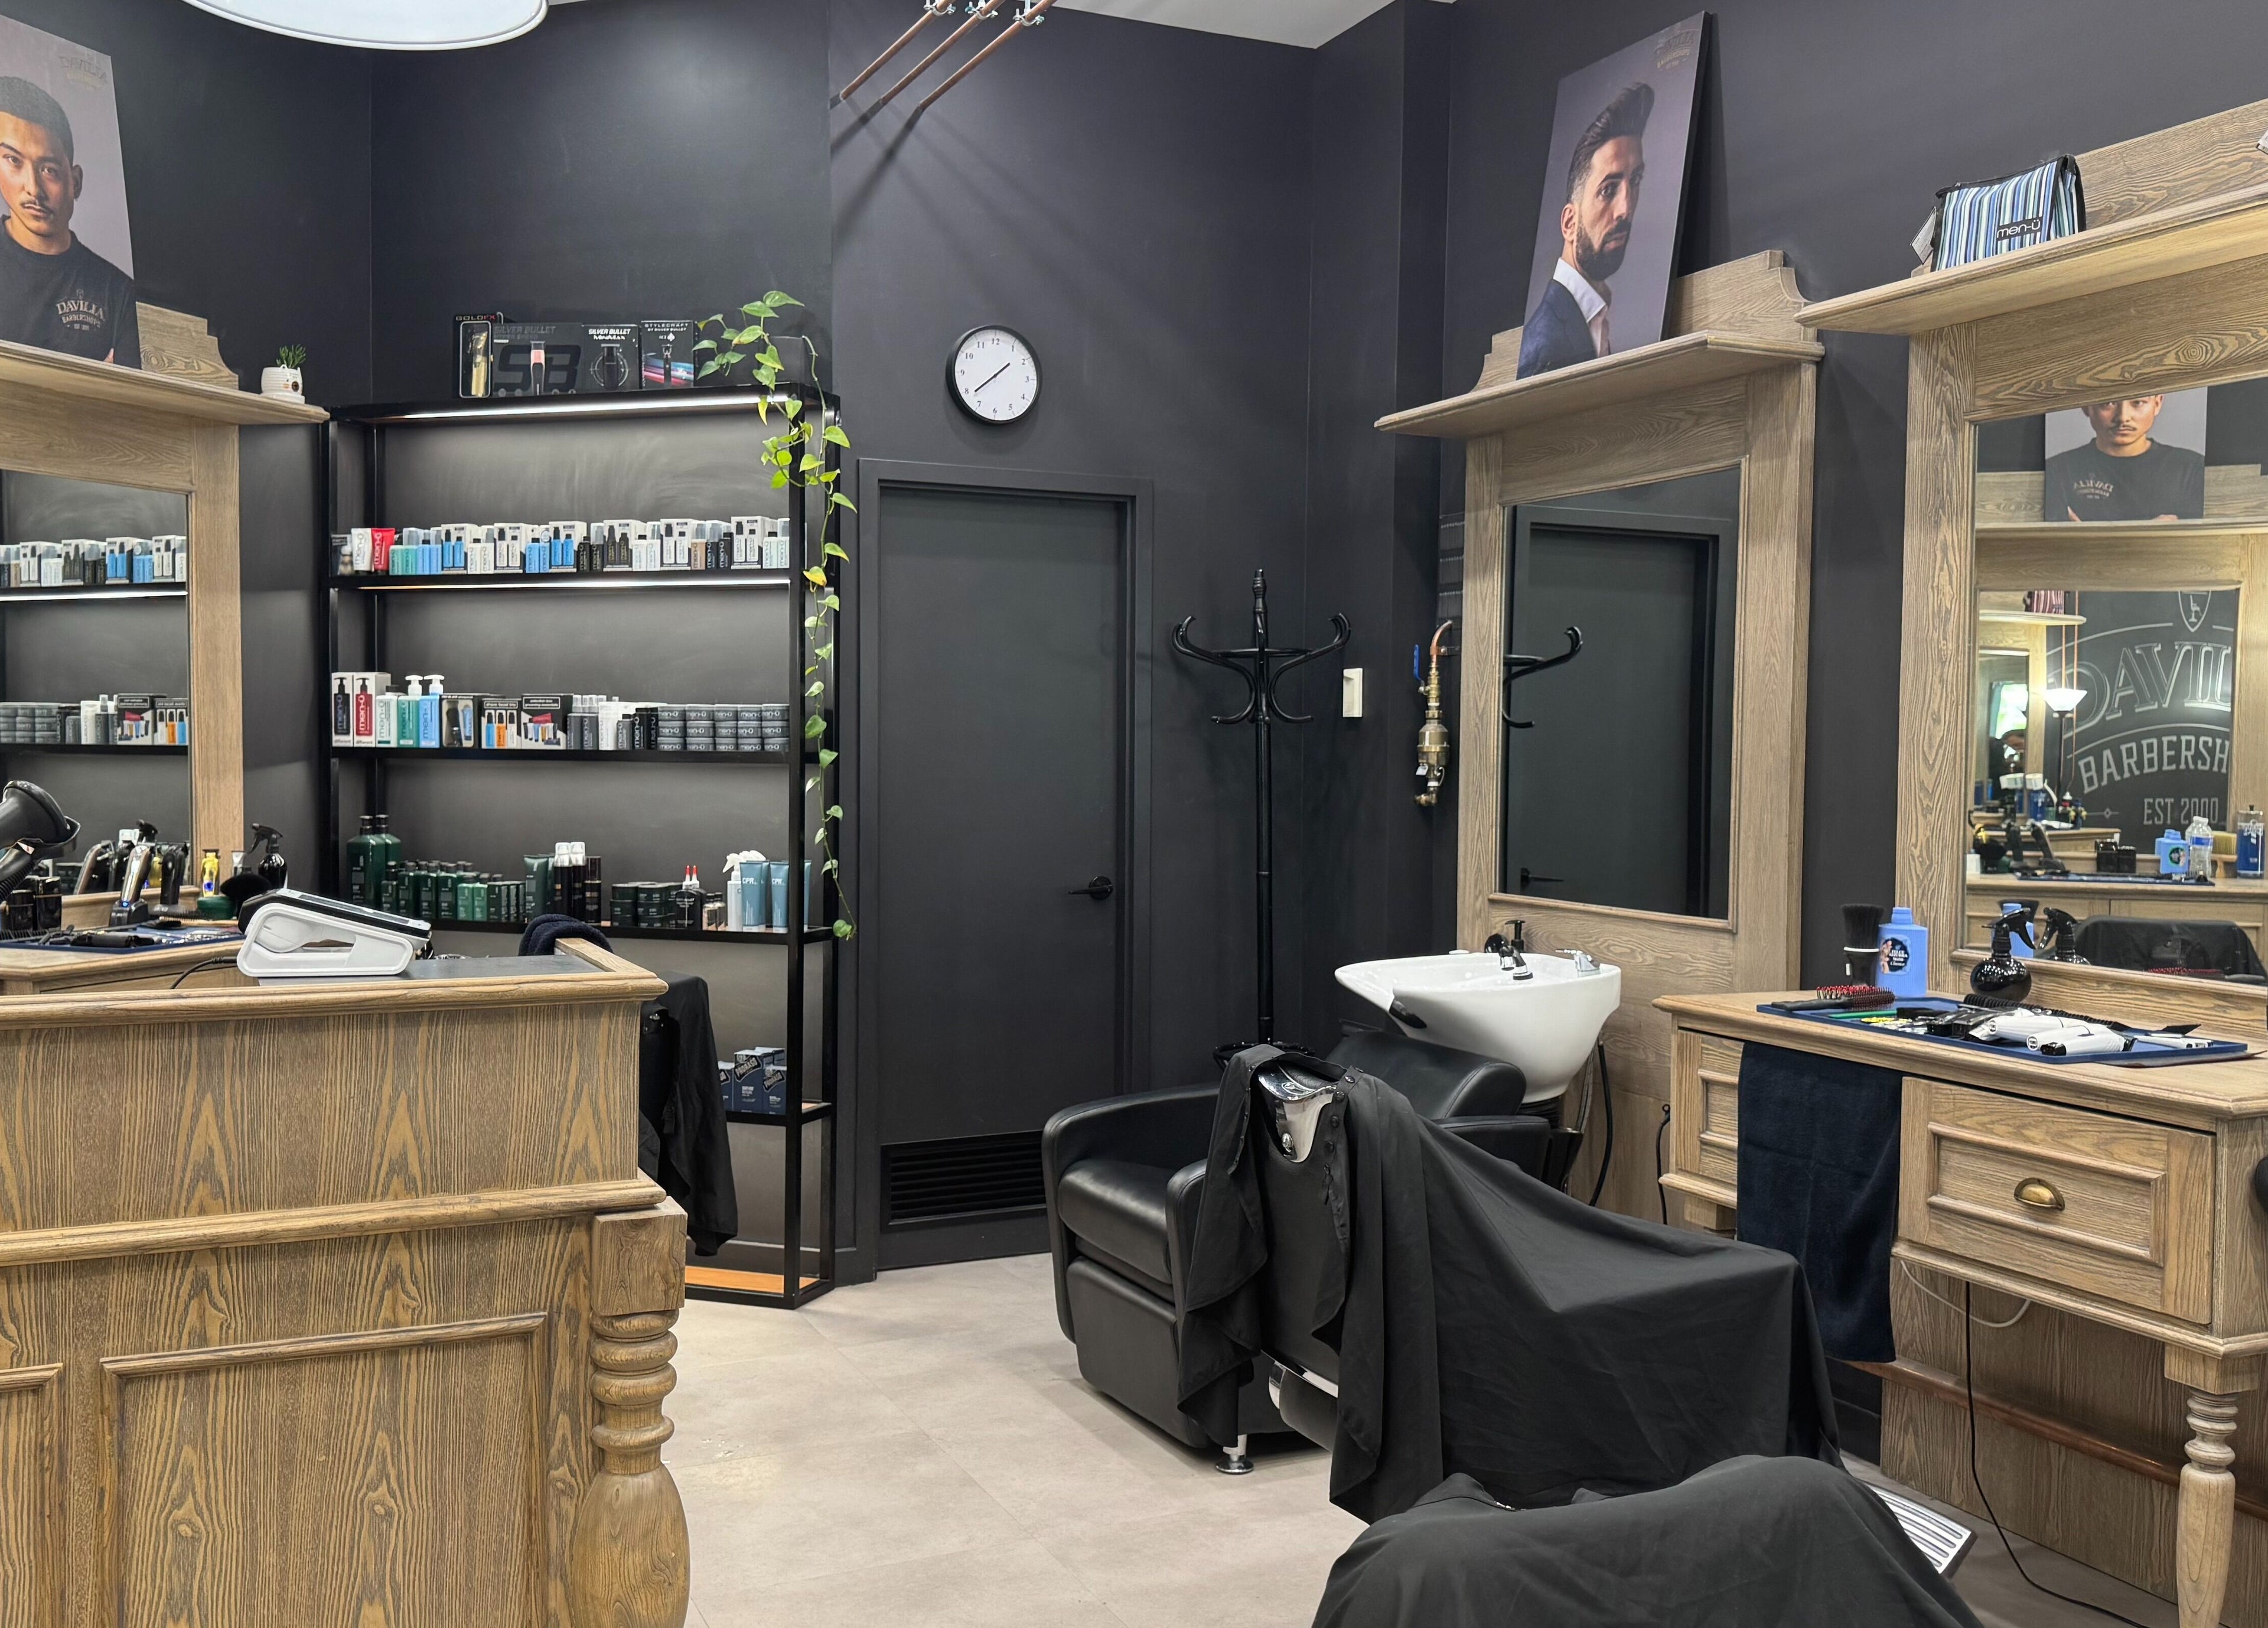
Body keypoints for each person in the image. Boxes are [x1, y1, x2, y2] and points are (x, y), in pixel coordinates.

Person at [0, 74, 137, 366]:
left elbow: (125, 403)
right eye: (13, 160)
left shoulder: (117, 292)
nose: (34, 189)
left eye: (49, 170)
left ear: (75, 181)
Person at [1518, 81, 1652, 379]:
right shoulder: (1544, 349)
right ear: (1569, 223)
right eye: (1608, 190)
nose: (1626, 210)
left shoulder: (1593, 315)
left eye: (1636, 181)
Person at [2043, 395, 2203, 522]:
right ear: (2086, 405)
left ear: (2158, 403)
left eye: (2138, 402)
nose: (2123, 417)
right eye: (2109, 403)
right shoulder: (2055, 472)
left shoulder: (2193, 469)